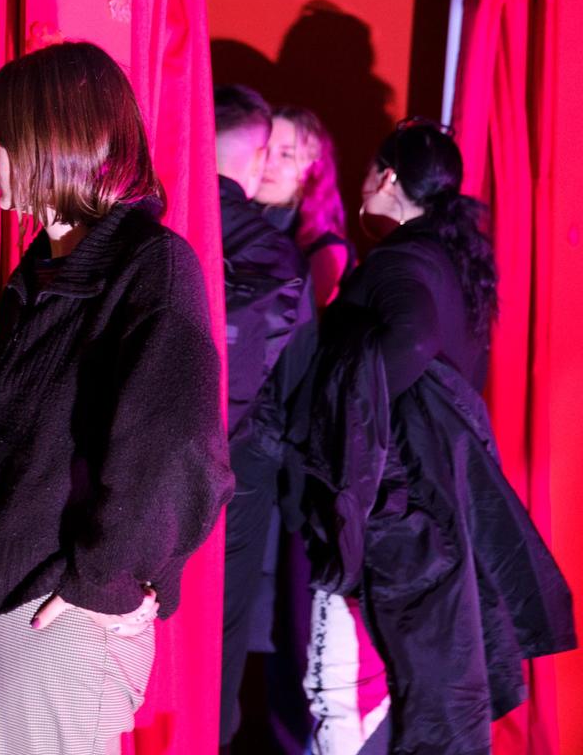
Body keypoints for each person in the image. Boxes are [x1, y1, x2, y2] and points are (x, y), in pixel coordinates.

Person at [0, 42, 233, 755]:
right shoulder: (43, 273)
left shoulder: (152, 265)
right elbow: (31, 429)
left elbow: (177, 445)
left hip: (52, 616)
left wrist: (107, 581)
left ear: (54, 144)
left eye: (2, 141)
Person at [294, 120, 575, 755]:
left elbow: (414, 342)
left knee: (338, 689)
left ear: (387, 177)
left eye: (369, 169)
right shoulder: (452, 266)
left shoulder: (397, 264)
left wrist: (347, 416)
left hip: (392, 509)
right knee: (393, 684)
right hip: (433, 512)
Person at [210, 85, 313, 749]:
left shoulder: (146, 226)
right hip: (242, 473)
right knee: (217, 646)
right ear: (253, 157)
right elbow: (300, 387)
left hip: (140, 466)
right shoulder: (278, 258)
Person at [255, 105, 352, 308]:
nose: (268, 163)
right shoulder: (226, 219)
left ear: (314, 167)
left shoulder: (326, 248)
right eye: (264, 150)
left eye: (286, 155)